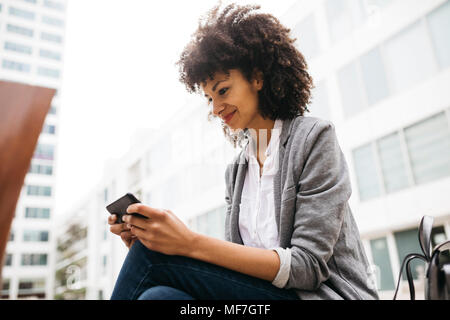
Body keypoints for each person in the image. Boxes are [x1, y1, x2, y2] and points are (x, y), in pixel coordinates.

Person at [109, 3, 380, 300]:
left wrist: (187, 243)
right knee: (157, 297)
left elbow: (308, 266)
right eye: (210, 98)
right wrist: (150, 240)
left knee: (150, 259)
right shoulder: (237, 171)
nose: (215, 108)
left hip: (320, 297)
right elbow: (235, 270)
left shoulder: (314, 138)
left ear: (258, 77)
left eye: (223, 90)